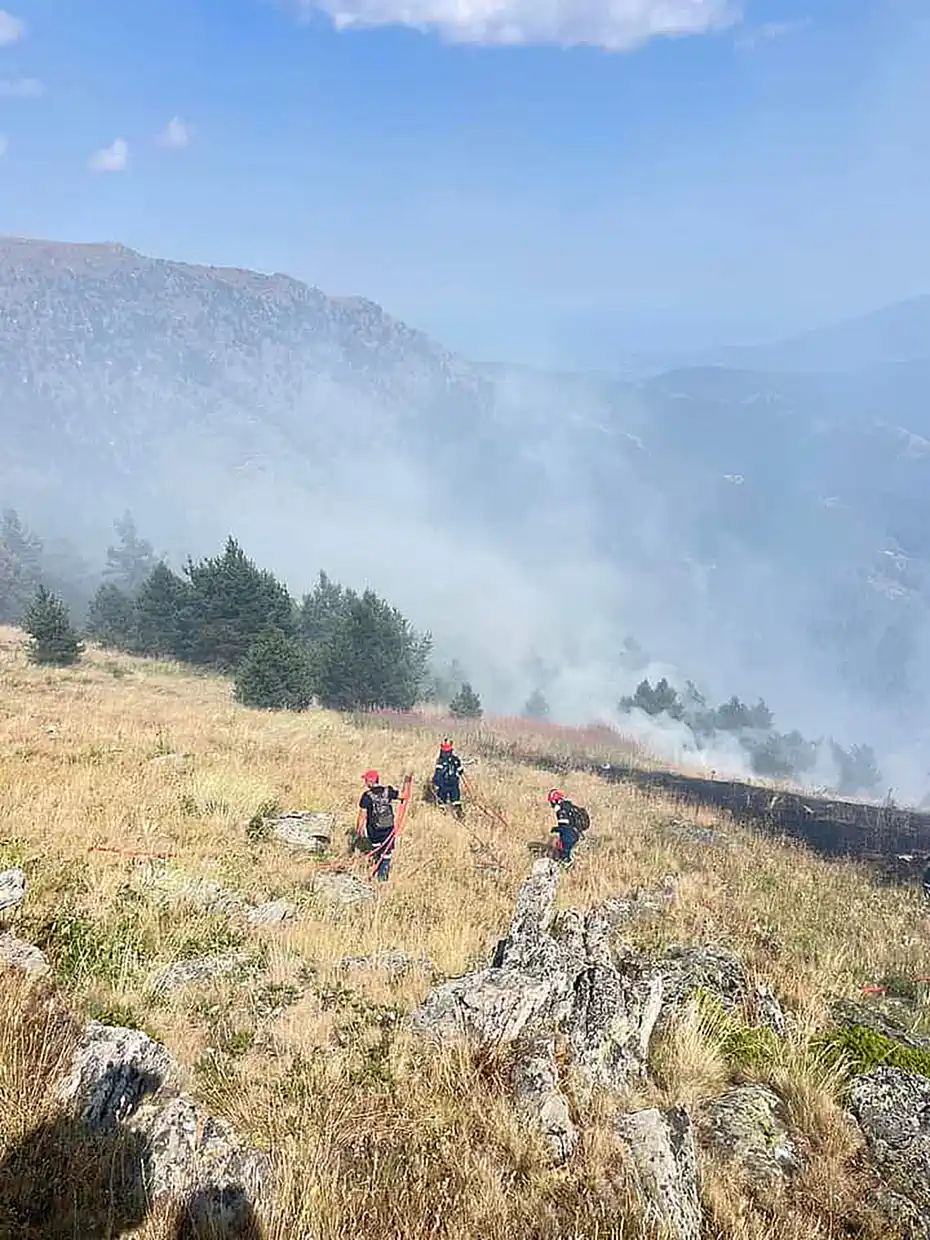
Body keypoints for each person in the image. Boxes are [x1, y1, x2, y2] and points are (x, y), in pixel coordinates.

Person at [358, 769, 402, 881]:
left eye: (366, 780)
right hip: (388, 829)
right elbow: (404, 796)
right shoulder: (388, 791)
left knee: (377, 850)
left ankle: (377, 871)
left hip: (374, 832)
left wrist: (358, 831)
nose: (365, 783)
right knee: (387, 853)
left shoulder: (366, 796)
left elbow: (362, 816)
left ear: (369, 782)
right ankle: (382, 876)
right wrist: (408, 782)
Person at [547, 788, 589, 867]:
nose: (551, 804)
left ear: (556, 801)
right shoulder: (569, 806)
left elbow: (565, 828)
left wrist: (555, 829)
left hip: (569, 837)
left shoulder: (561, 811)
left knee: (565, 858)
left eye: (552, 802)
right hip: (576, 834)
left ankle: (569, 869)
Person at [432, 737, 465, 819]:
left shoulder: (455, 760)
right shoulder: (441, 761)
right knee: (442, 803)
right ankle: (443, 817)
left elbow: (460, 770)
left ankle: (459, 816)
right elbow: (437, 775)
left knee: (456, 801)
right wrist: (436, 783)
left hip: (452, 785)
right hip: (444, 785)